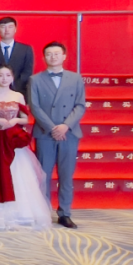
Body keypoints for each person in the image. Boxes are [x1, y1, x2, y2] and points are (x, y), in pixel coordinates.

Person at [0, 65, 52, 230]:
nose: (4, 79)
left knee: (16, 174)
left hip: (12, 140)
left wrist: (15, 121)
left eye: (7, 75)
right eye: (1, 75)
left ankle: (19, 214)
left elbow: (25, 118)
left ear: (12, 78)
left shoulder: (18, 96)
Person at [29, 41, 87, 229]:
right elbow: (34, 107)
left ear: (64, 56)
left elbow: (80, 105)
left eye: (56, 53)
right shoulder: (35, 80)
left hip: (69, 133)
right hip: (45, 133)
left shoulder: (75, 78)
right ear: (44, 57)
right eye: (49, 54)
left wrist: (65, 126)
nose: (52, 57)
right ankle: (43, 212)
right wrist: (52, 127)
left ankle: (65, 213)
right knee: (43, 175)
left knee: (66, 175)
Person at [0, 17, 34, 97]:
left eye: (10, 27)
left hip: (19, 91)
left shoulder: (25, 49)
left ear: (15, 29)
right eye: (3, 27)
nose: (6, 30)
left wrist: (14, 86)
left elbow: (27, 71)